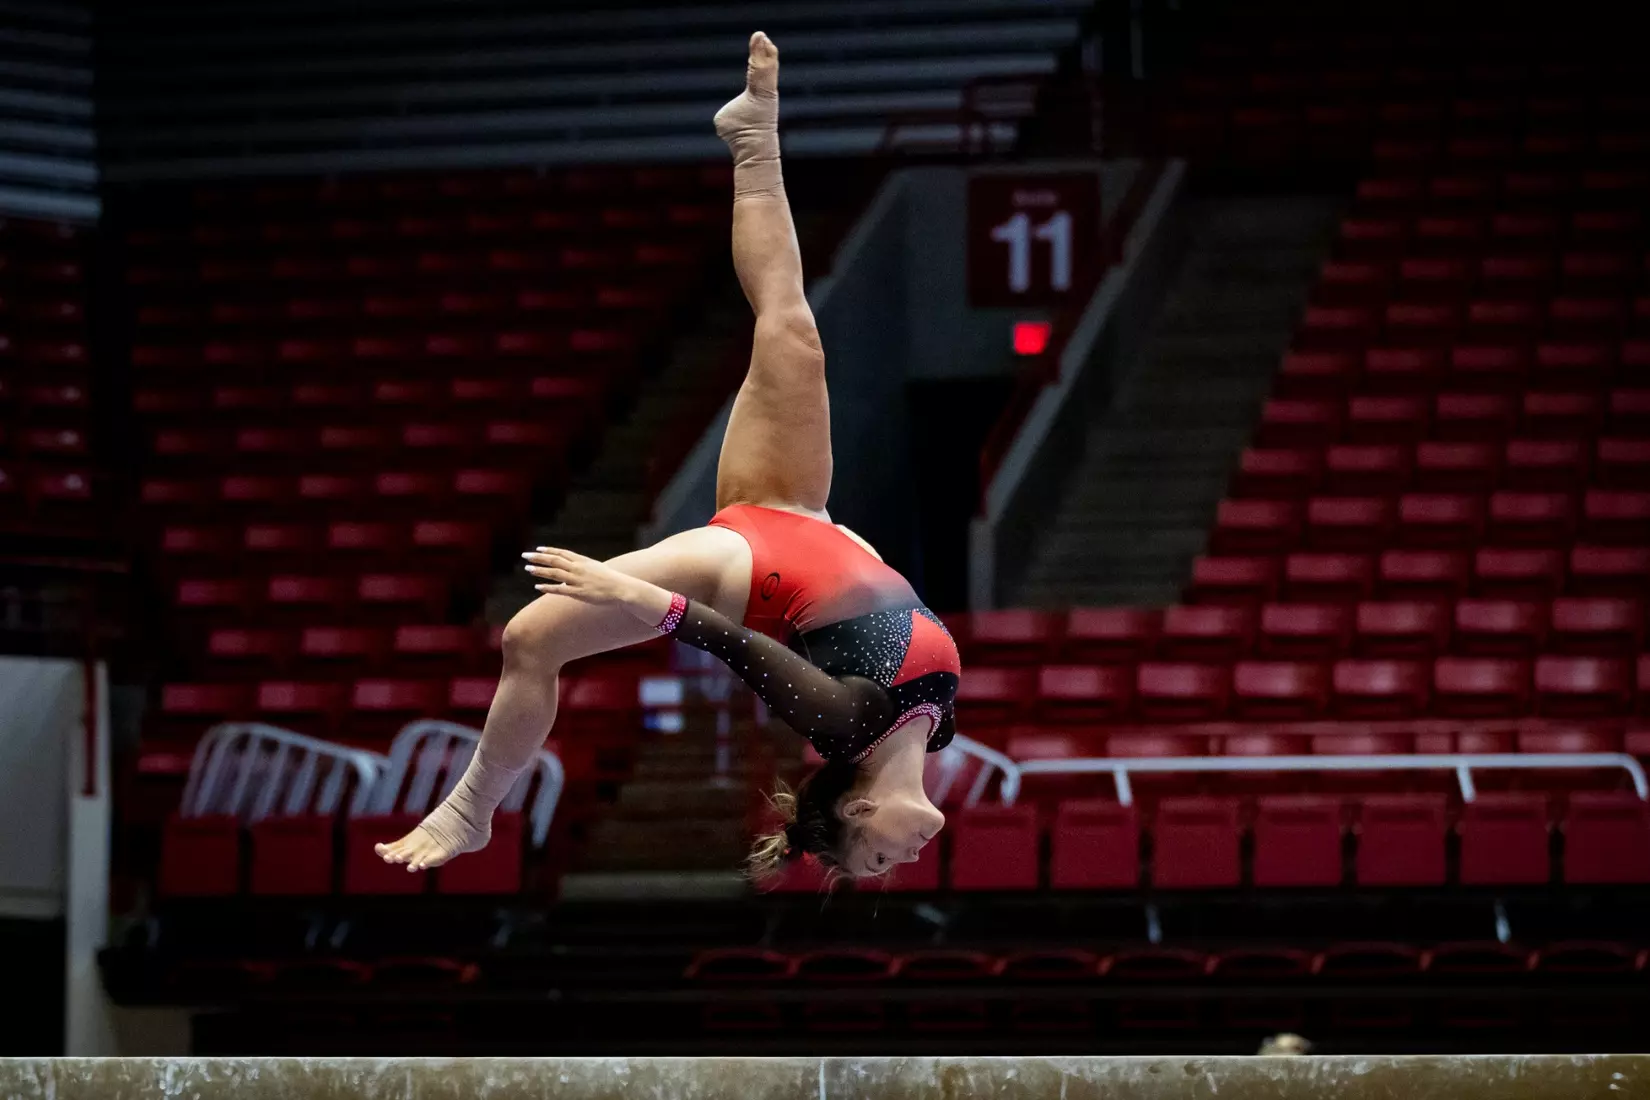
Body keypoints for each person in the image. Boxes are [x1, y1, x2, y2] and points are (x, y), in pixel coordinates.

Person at [375, 31, 959, 881]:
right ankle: (754, 137)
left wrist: (637, 596)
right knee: (792, 327)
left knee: (530, 637)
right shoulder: (937, 727)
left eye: (874, 858)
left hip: (746, 566)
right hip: (804, 514)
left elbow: (738, 647)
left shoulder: (849, 726)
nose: (902, 859)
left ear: (859, 807)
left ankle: (471, 808)